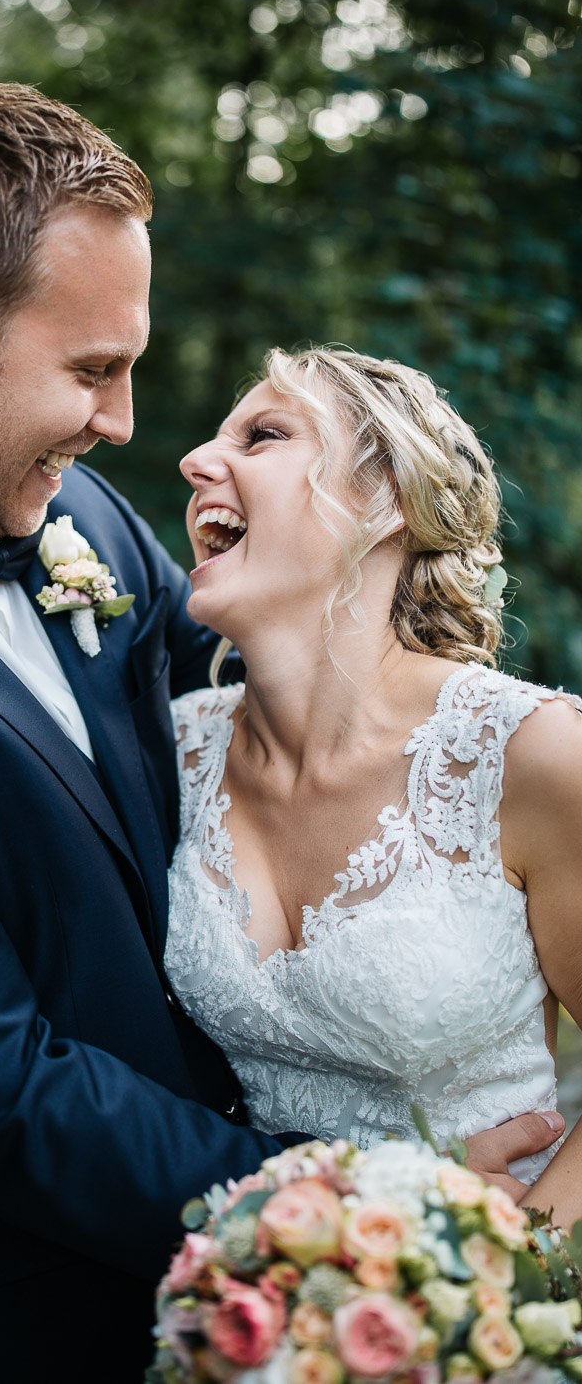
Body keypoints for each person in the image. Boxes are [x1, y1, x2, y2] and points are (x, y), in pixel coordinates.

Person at [0, 90, 558, 1384]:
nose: (123, 425)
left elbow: (286, 721)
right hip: (41, 1330)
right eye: (91, 371)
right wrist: (376, 1209)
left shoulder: (80, 519)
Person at [167, 344, 581, 1226]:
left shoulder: (529, 755)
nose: (197, 461)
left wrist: (505, 1266)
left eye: (262, 435)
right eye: (214, 439)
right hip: (256, 1280)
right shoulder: (172, 753)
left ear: (386, 499)